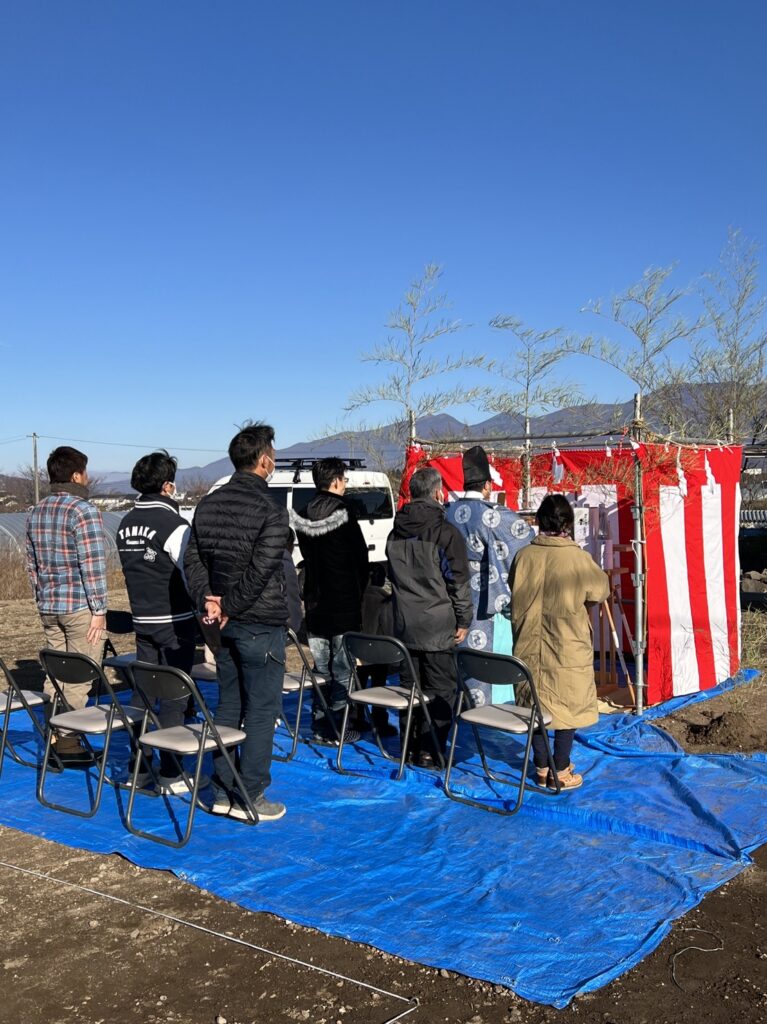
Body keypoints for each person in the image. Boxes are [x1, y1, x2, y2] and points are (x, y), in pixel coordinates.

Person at [184, 422, 289, 822]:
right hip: (258, 622)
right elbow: (262, 571)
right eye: (273, 455)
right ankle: (252, 792)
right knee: (262, 709)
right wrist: (225, 603)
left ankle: (221, 787)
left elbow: (192, 561)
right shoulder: (270, 509)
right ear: (264, 461)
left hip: (223, 623)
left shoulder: (208, 504)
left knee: (229, 704)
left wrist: (210, 600)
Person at [509, 493, 610, 790]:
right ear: (568, 524)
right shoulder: (578, 558)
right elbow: (599, 591)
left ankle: (542, 767)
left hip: (527, 641)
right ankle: (561, 769)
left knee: (535, 704)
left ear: (539, 521)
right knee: (568, 704)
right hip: (566, 642)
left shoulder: (523, 555)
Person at [117, 450, 198, 793]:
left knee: (144, 692)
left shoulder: (124, 524)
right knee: (175, 695)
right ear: (168, 486)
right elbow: (190, 574)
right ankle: (171, 770)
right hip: (175, 619)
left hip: (142, 617)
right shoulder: (174, 525)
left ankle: (139, 764)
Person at [25, 446, 108, 765]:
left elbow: (30, 563)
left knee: (55, 674)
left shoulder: (36, 511)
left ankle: (54, 735)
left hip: (49, 606)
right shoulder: (82, 510)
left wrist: (41, 594)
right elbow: (93, 564)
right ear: (76, 476)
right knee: (79, 676)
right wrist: (99, 610)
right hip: (79, 606)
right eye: (85, 473)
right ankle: (68, 744)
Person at [386, 467, 473, 768]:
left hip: (405, 625)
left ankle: (408, 748)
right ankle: (430, 750)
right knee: (440, 692)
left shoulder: (394, 532)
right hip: (438, 625)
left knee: (410, 689)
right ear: (438, 493)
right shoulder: (446, 533)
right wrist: (464, 619)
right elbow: (459, 582)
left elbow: (391, 577)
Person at [445, 445, 534, 705]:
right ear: (486, 485)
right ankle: (490, 712)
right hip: (485, 596)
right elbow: (524, 538)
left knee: (462, 657)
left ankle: (463, 707)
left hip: (453, 593)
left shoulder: (447, 511)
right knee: (488, 657)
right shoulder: (491, 515)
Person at [290, 457, 368, 744]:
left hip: (315, 600)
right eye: (344, 479)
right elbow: (359, 557)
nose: (345, 484)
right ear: (335, 480)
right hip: (343, 601)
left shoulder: (302, 514)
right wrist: (361, 589)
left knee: (320, 669)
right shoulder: (345, 511)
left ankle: (319, 724)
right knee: (343, 670)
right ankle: (339, 726)